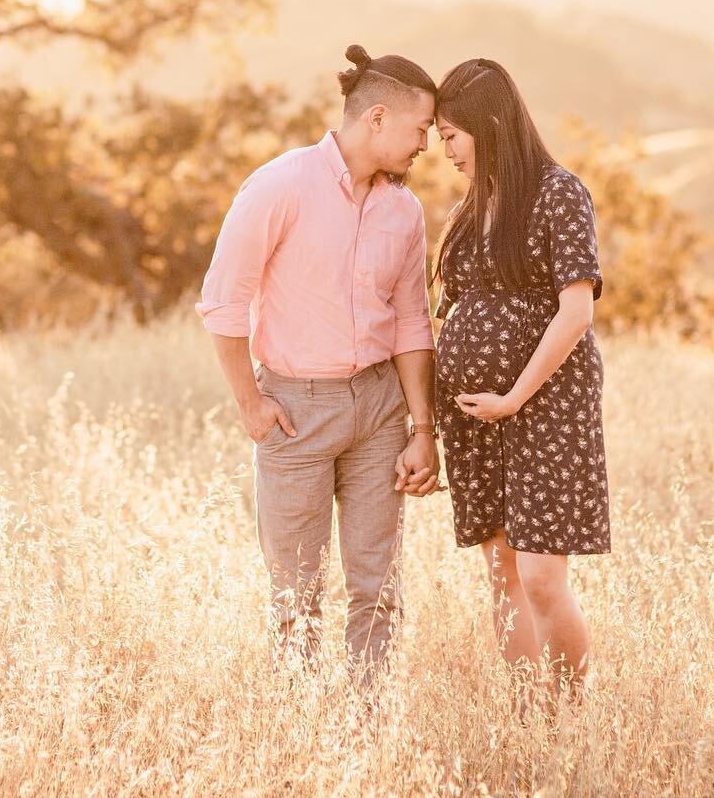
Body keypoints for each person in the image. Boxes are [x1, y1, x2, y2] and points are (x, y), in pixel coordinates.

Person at [199, 44, 444, 680]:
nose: (427, 144)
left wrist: (423, 429)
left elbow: (414, 323)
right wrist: (251, 406)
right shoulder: (280, 185)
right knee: (295, 597)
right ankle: (303, 734)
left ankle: (367, 725)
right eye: (421, 129)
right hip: (294, 413)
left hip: (381, 410)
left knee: (379, 587)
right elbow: (224, 302)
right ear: (379, 118)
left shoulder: (404, 209)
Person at [431, 57, 610, 698]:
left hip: (546, 405)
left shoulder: (559, 192)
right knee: (500, 568)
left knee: (539, 575)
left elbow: (576, 309)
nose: (443, 149)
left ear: (493, 123)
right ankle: (526, 722)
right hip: (475, 414)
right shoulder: (469, 208)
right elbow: (448, 311)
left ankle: (567, 717)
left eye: (452, 134)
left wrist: (514, 396)